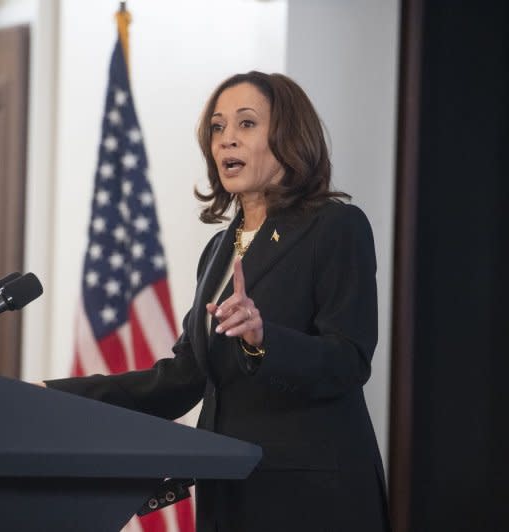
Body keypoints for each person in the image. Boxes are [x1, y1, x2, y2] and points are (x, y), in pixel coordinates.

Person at [44, 71, 390, 531]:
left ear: (288, 136)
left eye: (246, 124)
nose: (227, 140)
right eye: (217, 128)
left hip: (310, 498)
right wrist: (59, 399)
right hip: (229, 490)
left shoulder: (334, 227)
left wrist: (262, 340)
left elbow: (348, 360)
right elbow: (185, 378)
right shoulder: (219, 250)